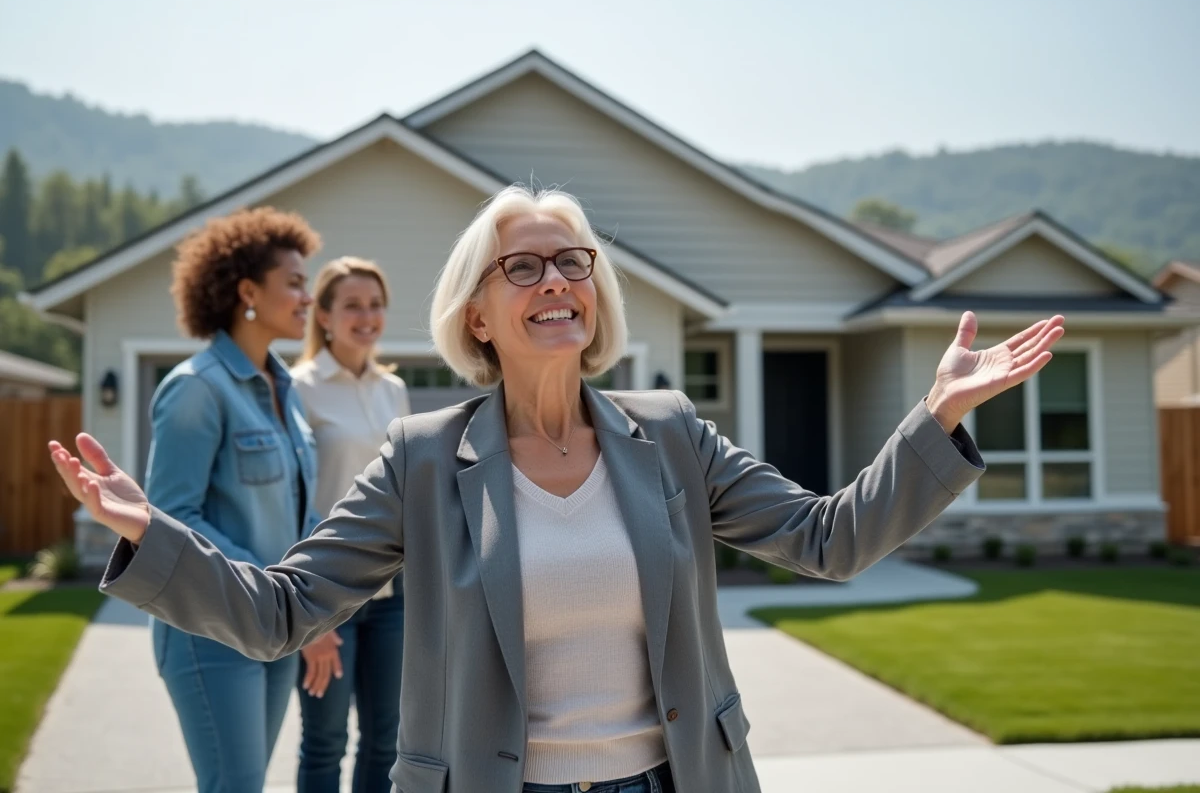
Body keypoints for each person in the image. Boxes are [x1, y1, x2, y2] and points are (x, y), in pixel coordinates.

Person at [48, 185, 1066, 793]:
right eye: (522, 266)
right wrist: (150, 535)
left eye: (570, 262)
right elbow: (281, 609)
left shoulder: (670, 435)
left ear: (595, 293)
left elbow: (831, 537)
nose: (553, 281)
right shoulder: (420, 455)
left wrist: (933, 417)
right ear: (477, 312)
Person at [135, 206, 323, 792]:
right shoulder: (195, 390)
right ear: (248, 291)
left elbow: (301, 510)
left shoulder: (284, 389)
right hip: (208, 631)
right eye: (293, 282)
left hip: (273, 627)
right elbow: (171, 519)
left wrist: (314, 604)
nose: (307, 297)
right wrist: (268, 584)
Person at [290, 257, 411, 793]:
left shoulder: (394, 391)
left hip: (391, 595)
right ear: (324, 315)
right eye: (353, 305)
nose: (367, 316)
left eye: (375, 304)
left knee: (387, 740)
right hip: (324, 594)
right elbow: (291, 497)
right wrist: (309, 616)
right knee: (325, 741)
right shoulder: (297, 388)